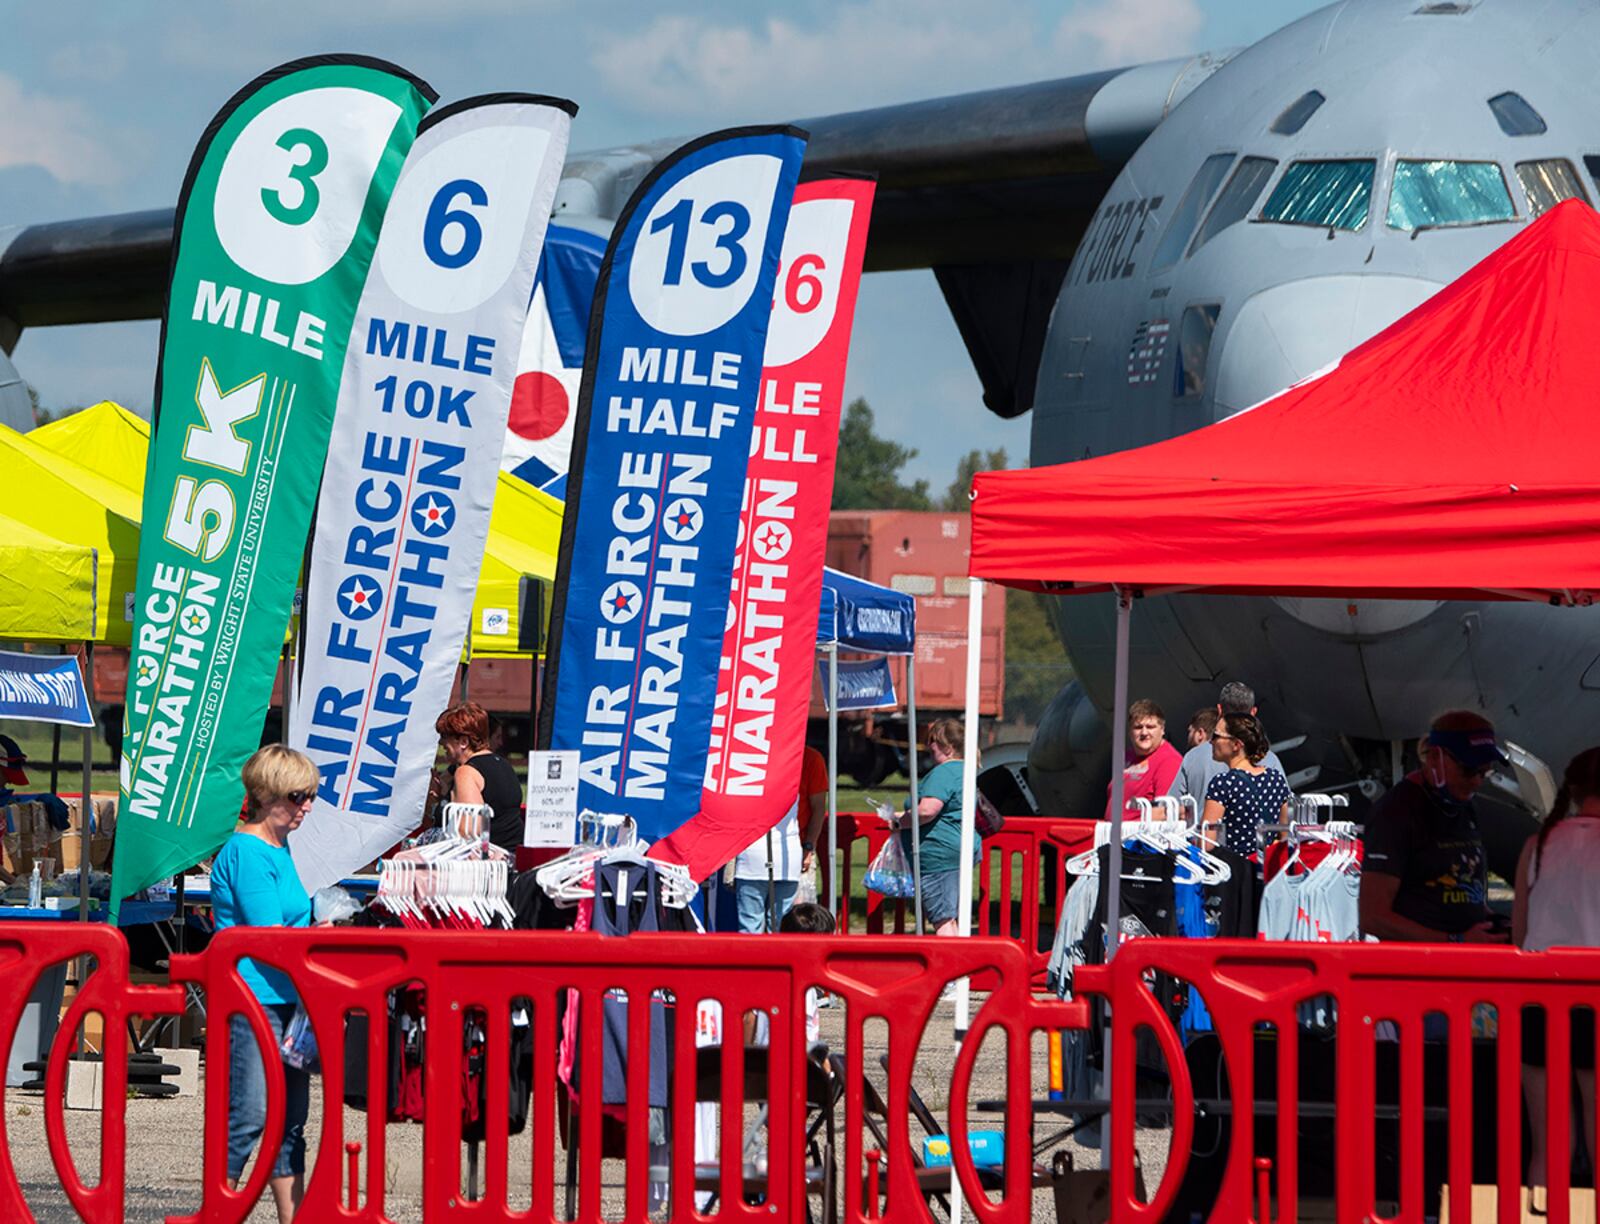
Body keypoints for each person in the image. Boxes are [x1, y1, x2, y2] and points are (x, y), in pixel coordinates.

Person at [209, 745, 317, 1224]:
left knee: (290, 1123)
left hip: (284, 999)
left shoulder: (277, 846)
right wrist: (318, 940)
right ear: (267, 794)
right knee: (249, 1118)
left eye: (310, 795)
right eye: (298, 796)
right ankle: (218, 1210)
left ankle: (292, 1217)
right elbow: (268, 935)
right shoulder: (249, 852)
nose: (307, 806)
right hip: (254, 999)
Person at [1514, 747, 1600, 1191]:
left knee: (1546, 1148)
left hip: (1538, 999)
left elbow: (1520, 935)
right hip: (1595, 997)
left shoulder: (1537, 845)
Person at [1360, 711, 1510, 943]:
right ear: (1434, 758)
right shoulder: (1396, 812)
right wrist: (1454, 940)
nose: (1477, 781)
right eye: (1469, 770)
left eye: (1484, 772)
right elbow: (1373, 917)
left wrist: (1494, 922)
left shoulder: (1465, 805)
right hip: (1420, 967)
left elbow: (1462, 891)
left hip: (1466, 961)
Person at [733, 745, 829, 933]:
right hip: (785, 854)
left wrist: (809, 847)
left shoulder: (750, 760)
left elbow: (818, 808)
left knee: (755, 926)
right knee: (782, 926)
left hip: (774, 853)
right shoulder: (796, 765)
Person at [899, 718, 978, 937]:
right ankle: (961, 967)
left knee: (942, 919)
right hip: (959, 848)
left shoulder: (944, 772)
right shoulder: (965, 769)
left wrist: (899, 821)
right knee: (950, 916)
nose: (928, 746)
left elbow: (927, 810)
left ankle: (954, 968)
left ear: (947, 747)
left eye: (932, 741)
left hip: (939, 854)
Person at [1167, 681, 1286, 806]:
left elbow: (1172, 806)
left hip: (1206, 824)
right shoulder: (1270, 761)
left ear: (1219, 709)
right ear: (1253, 712)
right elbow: (1284, 808)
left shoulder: (1193, 758)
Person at [435, 702, 524, 853]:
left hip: (487, 866)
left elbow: (468, 833)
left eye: (445, 737)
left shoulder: (466, 772)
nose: (441, 743)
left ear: (463, 742)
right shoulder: (504, 765)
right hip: (512, 857)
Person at [1202, 713, 1293, 858]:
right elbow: (1285, 834)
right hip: (1268, 871)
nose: (1211, 742)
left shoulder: (1223, 784)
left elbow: (1206, 843)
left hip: (1238, 872)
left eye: (1216, 736)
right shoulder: (1276, 779)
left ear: (1236, 745)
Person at [1105, 699, 1183, 818]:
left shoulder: (1170, 761)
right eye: (1138, 727)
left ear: (1162, 730)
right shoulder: (1126, 758)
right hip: (1111, 832)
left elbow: (1164, 812)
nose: (1144, 732)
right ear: (1130, 731)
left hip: (1138, 835)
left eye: (1150, 727)